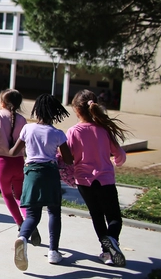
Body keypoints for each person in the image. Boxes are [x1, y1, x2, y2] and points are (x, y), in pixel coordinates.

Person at [7, 94, 73, 271]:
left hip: (31, 174)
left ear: (37, 111)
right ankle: (53, 251)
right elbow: (68, 159)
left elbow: (13, 152)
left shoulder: (28, 129)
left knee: (32, 215)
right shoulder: (58, 133)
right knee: (54, 212)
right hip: (50, 174)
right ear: (55, 113)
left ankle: (22, 238)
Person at [67, 89, 129, 267]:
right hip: (106, 180)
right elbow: (120, 155)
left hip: (84, 182)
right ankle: (112, 240)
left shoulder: (73, 131)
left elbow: (67, 157)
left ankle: (107, 252)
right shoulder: (105, 130)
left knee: (97, 216)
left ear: (76, 110)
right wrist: (116, 162)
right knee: (114, 217)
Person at [0, 89, 40, 245]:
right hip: (18, 162)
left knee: (8, 196)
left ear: (2, 102)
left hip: (1, 162)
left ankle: (21, 224)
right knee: (20, 196)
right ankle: (30, 223)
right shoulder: (22, 120)